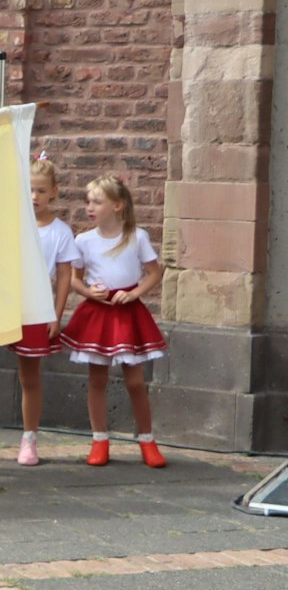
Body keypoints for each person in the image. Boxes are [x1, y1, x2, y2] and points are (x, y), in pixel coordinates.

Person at [60, 174, 167, 467]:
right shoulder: (83, 241)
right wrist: (89, 292)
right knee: (97, 379)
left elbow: (155, 273)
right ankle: (99, 440)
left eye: (97, 201)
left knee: (135, 380)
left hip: (128, 313)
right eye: (88, 202)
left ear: (118, 205)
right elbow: (73, 279)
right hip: (99, 313)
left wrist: (135, 294)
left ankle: (147, 439)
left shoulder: (137, 237)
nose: (90, 207)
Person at [4, 157, 77, 466]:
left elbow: (63, 276)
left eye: (41, 191)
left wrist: (56, 314)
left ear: (53, 193)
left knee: (30, 376)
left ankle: (29, 438)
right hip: (6, 298)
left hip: (37, 303)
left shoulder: (61, 232)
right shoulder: (12, 222)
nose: (34, 197)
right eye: (29, 190)